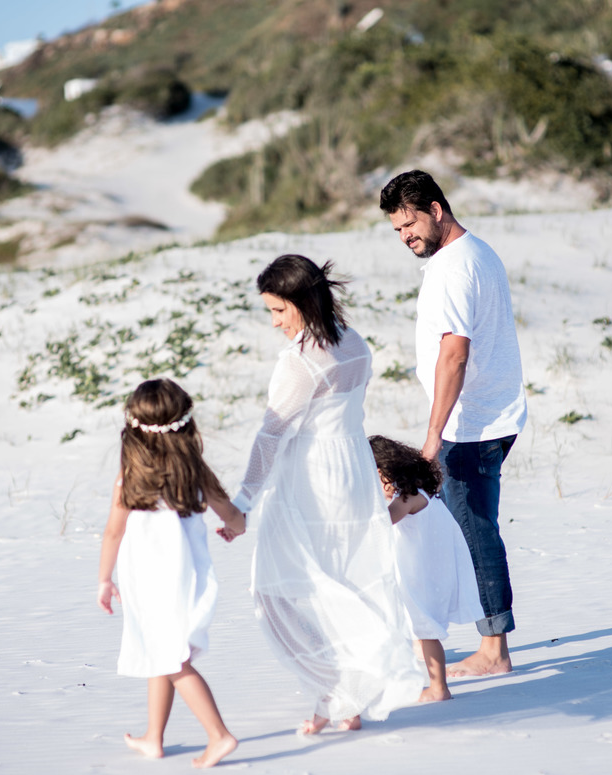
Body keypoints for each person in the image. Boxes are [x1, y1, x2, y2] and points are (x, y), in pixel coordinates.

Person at [222, 254, 423, 734]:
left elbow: (271, 436)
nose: (275, 322)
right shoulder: (355, 343)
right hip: (353, 468)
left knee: (278, 590)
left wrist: (243, 502)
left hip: (312, 478)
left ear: (303, 301)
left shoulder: (300, 363)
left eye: (279, 310)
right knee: (343, 582)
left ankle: (334, 691)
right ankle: (343, 699)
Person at [380, 170, 528, 677]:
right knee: (463, 523)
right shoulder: (477, 252)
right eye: (397, 230)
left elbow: (454, 355)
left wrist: (433, 434)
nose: (405, 236)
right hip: (492, 414)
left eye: (410, 224)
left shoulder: (453, 268)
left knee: (474, 531)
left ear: (436, 210)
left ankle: (494, 651)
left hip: (470, 425)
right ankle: (471, 638)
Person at [96, 378, 246, 768]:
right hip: (186, 577)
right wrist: (235, 528)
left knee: (171, 659)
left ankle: (219, 735)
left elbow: (113, 532)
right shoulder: (193, 471)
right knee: (159, 652)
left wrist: (104, 579)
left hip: (148, 580)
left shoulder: (131, 475)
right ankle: (153, 737)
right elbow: (232, 514)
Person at [369, 435, 484, 702]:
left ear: (385, 471)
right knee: (420, 630)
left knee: (426, 630)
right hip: (429, 573)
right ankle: (413, 681)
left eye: (374, 478)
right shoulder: (422, 491)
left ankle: (438, 688)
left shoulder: (407, 498)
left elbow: (383, 522)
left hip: (420, 578)